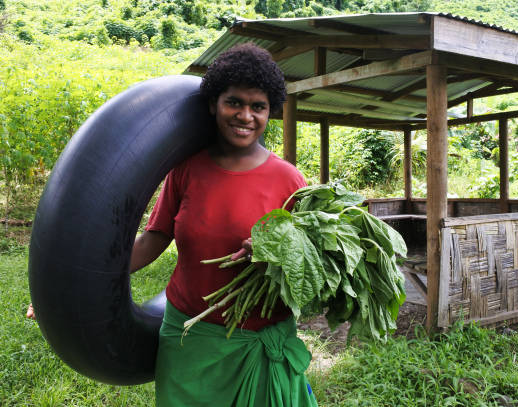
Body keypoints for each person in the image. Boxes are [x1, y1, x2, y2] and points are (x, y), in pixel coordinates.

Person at [29, 43, 317, 407]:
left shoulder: (289, 180)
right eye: (234, 103)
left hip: (259, 343)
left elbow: (308, 263)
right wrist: (68, 291)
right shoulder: (188, 170)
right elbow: (153, 240)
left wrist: (274, 254)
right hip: (190, 340)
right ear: (214, 104)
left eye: (257, 106)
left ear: (269, 112)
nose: (245, 115)